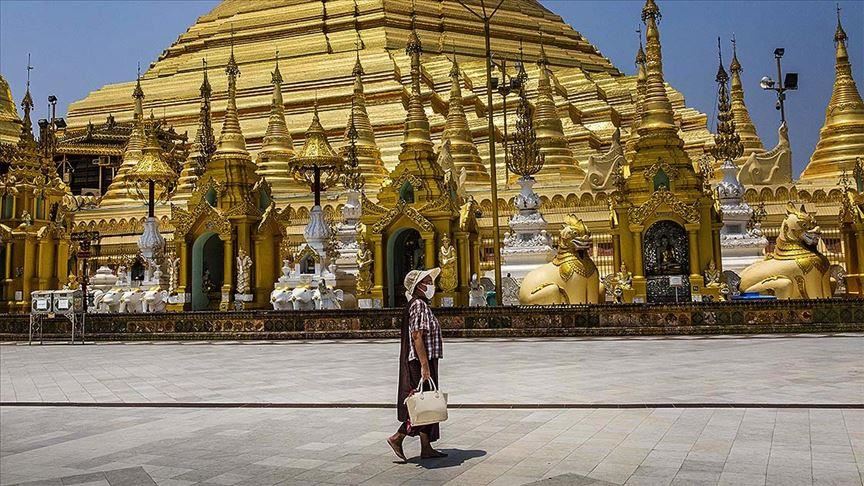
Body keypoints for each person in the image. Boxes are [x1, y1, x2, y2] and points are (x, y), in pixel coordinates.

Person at [388, 268, 448, 461]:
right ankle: (398, 437)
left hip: (425, 359)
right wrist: (424, 365)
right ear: (419, 286)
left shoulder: (419, 304)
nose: (431, 285)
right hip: (420, 360)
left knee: (426, 400)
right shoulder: (419, 305)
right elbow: (417, 336)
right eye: (427, 281)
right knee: (420, 401)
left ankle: (426, 446)